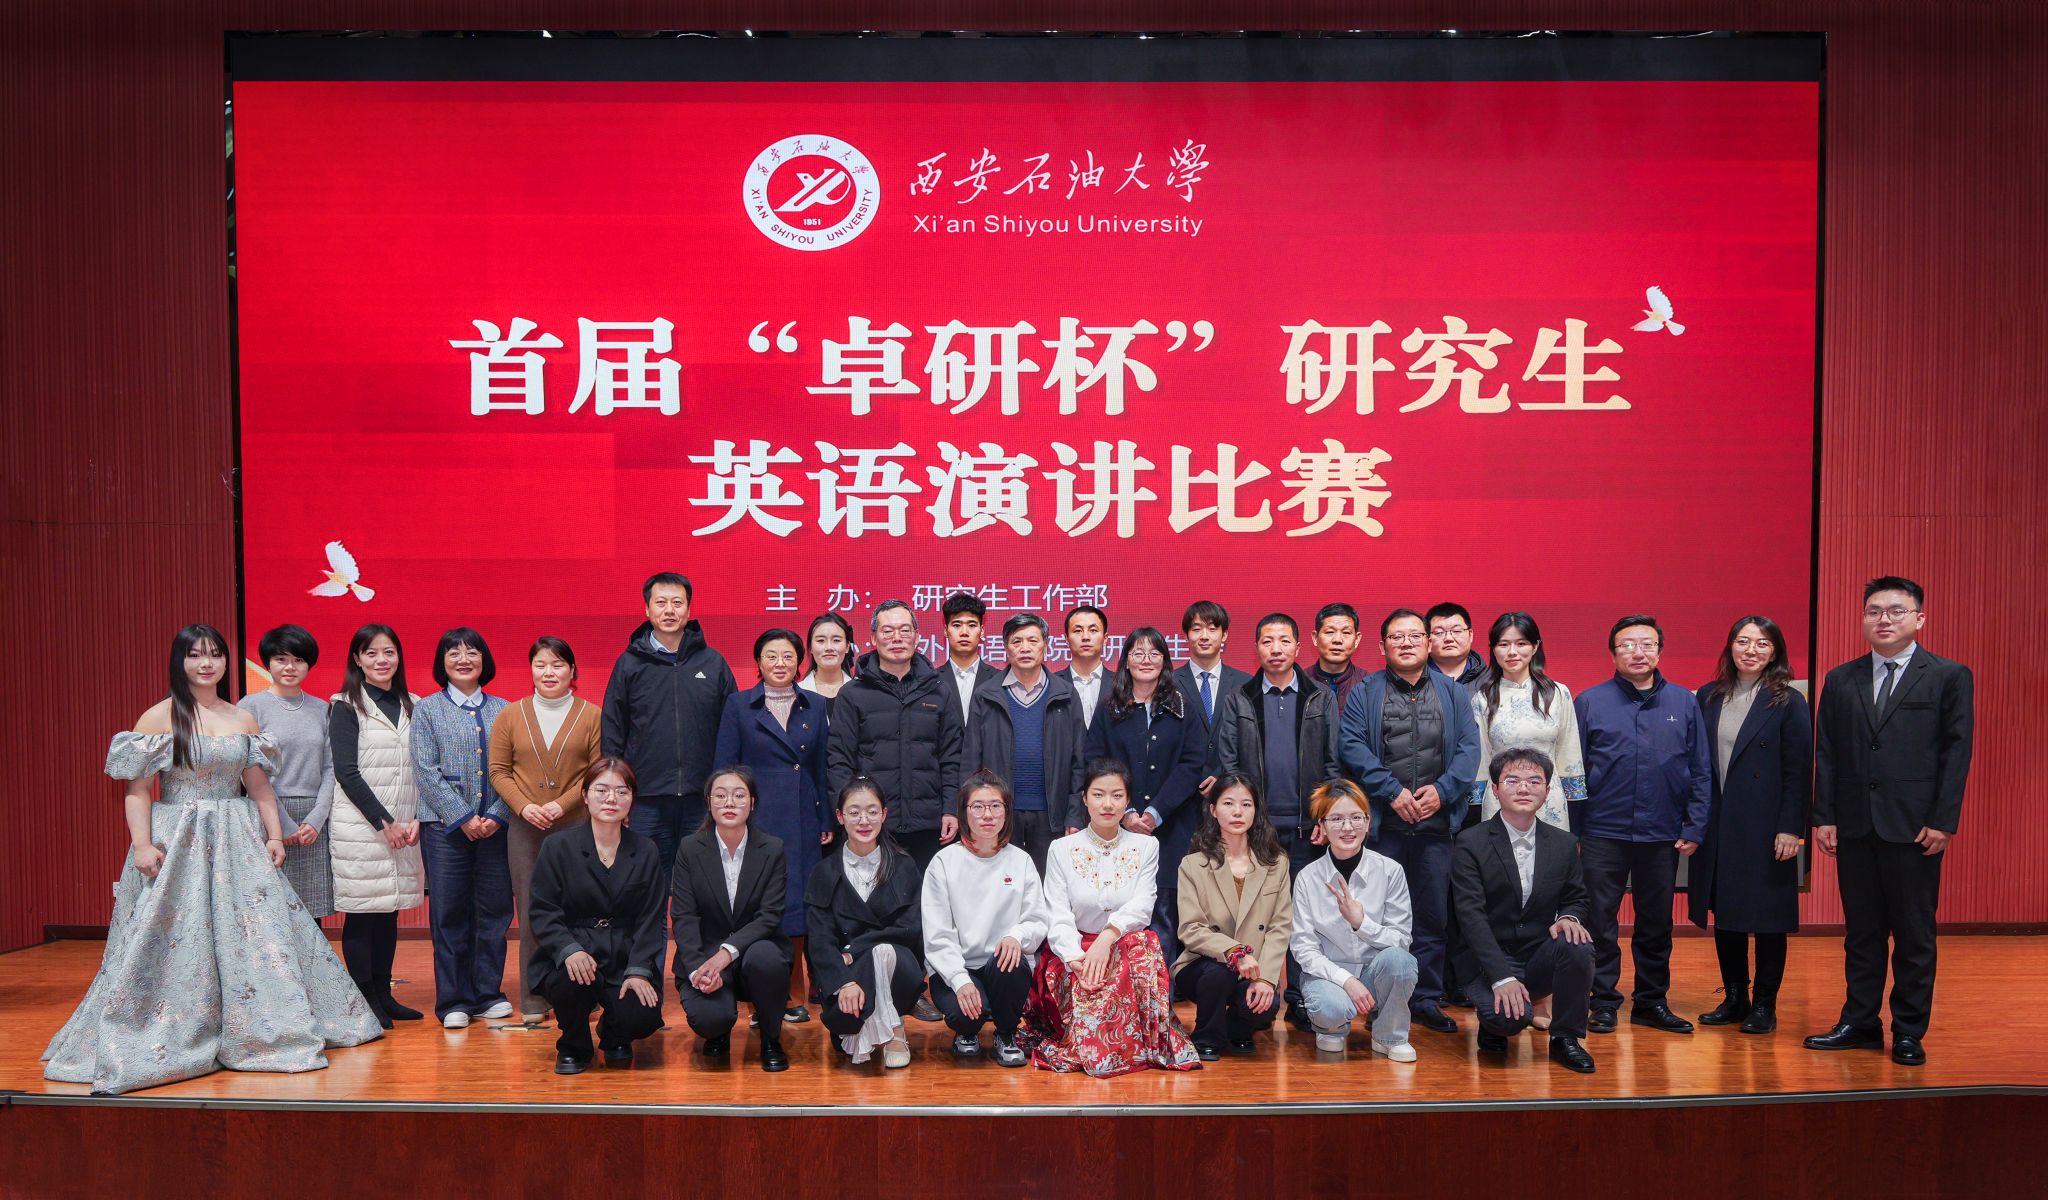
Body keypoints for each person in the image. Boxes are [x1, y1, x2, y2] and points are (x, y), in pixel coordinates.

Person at [44, 625, 382, 1095]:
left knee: (256, 932)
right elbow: (137, 791)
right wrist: (142, 844)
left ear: (226, 662)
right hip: (177, 838)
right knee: (175, 935)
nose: (206, 664)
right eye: (196, 655)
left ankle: (259, 1028)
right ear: (179, 661)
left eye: (215, 655)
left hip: (237, 836)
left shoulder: (241, 718)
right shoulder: (159, 717)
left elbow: (259, 786)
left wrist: (274, 835)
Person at [1807, 577, 1973, 1067]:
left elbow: (1956, 753)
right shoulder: (1841, 678)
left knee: (1914, 935)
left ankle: (1908, 1030)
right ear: (1863, 620)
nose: (1884, 619)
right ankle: (1859, 1022)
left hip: (1915, 828)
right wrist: (1824, 816)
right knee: (1862, 933)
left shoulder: (1947, 676)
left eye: (1896, 610)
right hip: (1856, 825)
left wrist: (1943, 820)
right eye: (1874, 611)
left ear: (1919, 618)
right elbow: (1828, 752)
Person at [1336, 609, 1482, 1037]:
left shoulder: (1453, 694)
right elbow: (1352, 746)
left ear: (1428, 642)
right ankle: (1381, 999)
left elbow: (1469, 750)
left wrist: (1443, 791)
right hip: (1385, 827)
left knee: (1432, 918)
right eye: (1396, 637)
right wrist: (1392, 792)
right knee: (1378, 918)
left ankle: (1426, 999)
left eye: (1414, 636)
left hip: (1436, 828)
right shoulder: (1365, 692)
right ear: (1381, 646)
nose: (1406, 643)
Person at [1574, 615, 1711, 1036]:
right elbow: (1573, 772)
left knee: (1656, 923)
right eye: (1628, 645)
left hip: (1662, 832)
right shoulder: (1590, 702)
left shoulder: (1684, 703)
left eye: (1647, 644)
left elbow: (1700, 769)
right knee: (1599, 921)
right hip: (1602, 831)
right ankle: (1602, 1001)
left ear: (1659, 650)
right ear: (1613, 653)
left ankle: (1651, 1002)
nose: (1638, 652)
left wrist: (1695, 825)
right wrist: (1575, 833)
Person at [1022, 761, 1201, 1076]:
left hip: (1122, 941)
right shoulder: (1061, 848)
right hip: (1074, 947)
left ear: (1127, 800)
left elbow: (1143, 905)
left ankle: (1128, 1045)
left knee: (1144, 946)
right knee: (1083, 984)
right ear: (1084, 798)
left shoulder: (1146, 845)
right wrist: (1075, 958)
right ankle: (1096, 1045)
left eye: (1117, 796)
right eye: (1098, 794)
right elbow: (1057, 911)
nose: (1107, 804)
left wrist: (1107, 938)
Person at [1215, 611, 1342, 1028]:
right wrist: (1243, 821)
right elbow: (1230, 765)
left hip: (1309, 829)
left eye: (1284, 641)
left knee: (1305, 918)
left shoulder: (1320, 698)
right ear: (1256, 648)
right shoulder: (1239, 698)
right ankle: (1254, 997)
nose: (1276, 649)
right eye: (1267, 641)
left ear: (1298, 647)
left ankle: (1301, 997)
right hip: (1258, 832)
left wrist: (1326, 815)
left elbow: (1333, 764)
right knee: (1256, 916)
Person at [1692, 616, 1813, 1035]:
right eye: (1743, 641)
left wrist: (1791, 828)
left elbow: (1799, 770)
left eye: (1762, 643)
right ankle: (1734, 998)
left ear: (1775, 651)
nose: (1751, 650)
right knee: (1727, 914)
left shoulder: (1789, 700)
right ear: (1730, 646)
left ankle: (1764, 1004)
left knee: (1768, 918)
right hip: (1720, 823)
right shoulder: (1709, 696)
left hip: (1766, 826)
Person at [1450, 748, 1597, 1074]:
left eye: (1534, 781)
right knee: (1507, 1020)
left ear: (1547, 791)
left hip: (1535, 956)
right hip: (1485, 961)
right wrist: (1501, 977)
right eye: (1512, 780)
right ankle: (1493, 1021)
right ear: (1495, 789)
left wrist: (1569, 918)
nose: (1523, 788)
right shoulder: (1470, 842)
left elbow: (1576, 898)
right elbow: (1470, 916)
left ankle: (1566, 1038)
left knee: (1578, 943)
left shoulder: (1563, 844)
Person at [713, 628, 829, 1024]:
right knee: (756, 905)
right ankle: (757, 999)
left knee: (796, 907)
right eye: (771, 656)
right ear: (758, 663)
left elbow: (821, 767)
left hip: (802, 817)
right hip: (755, 818)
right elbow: (725, 767)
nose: (780, 664)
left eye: (788, 656)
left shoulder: (815, 704)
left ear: (799, 662)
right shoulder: (738, 705)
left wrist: (825, 817)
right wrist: (728, 815)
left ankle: (793, 994)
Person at [601, 571, 737, 906]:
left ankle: (695, 945)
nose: (669, 610)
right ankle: (649, 946)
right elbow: (613, 731)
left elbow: (732, 730)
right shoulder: (629, 665)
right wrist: (618, 792)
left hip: (701, 798)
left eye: (677, 602)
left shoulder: (713, 663)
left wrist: (726, 788)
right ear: (647, 610)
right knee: (645, 890)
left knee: (703, 889)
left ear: (689, 610)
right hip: (646, 798)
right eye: (660, 602)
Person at [524, 757, 667, 1074]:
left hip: (624, 951)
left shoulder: (646, 850)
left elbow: (651, 918)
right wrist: (568, 950)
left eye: (622, 791)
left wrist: (638, 970)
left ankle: (614, 1034)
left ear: (632, 799)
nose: (611, 798)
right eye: (601, 790)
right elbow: (543, 910)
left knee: (642, 1015)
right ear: (585, 796)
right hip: (576, 943)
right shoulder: (557, 847)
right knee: (571, 981)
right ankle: (573, 1045)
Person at [489, 635, 602, 1023]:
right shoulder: (510, 715)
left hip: (578, 826)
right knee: (532, 911)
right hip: (525, 829)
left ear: (572, 671)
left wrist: (560, 805)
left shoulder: (592, 715)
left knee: (581, 909)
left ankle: (583, 994)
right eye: (540, 664)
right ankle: (535, 997)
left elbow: (596, 771)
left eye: (557, 664)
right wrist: (524, 806)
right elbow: (499, 771)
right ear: (531, 670)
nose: (548, 672)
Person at [409, 627, 514, 1028]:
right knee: (450, 912)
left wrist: (496, 815)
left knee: (494, 911)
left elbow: (515, 770)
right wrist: (463, 817)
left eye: (472, 652)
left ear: (485, 660)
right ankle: (454, 1000)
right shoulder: (427, 709)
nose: (463, 659)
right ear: (442, 663)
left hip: (496, 828)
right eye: (453, 653)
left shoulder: (505, 709)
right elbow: (425, 770)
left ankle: (488, 994)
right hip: (444, 829)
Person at [1084, 626, 1206, 964]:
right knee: (1121, 911)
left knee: (1165, 915)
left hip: (1172, 829)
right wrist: (1126, 812)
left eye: (1154, 653)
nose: (1146, 660)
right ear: (1126, 661)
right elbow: (1096, 760)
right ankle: (1122, 989)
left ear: (1165, 661)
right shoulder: (1110, 708)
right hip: (1116, 829)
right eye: (1137, 653)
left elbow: (1192, 764)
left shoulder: (1181, 707)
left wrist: (1154, 813)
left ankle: (1161, 991)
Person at [326, 623, 426, 1029]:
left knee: (389, 911)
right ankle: (365, 999)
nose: (381, 660)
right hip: (361, 826)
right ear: (357, 659)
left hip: (404, 825)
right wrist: (384, 822)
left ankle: (385, 993)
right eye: (371, 653)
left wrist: (416, 819)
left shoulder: (414, 704)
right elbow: (347, 773)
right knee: (363, 912)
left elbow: (423, 768)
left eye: (388, 652)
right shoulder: (345, 705)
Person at [671, 766, 795, 1072]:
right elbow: (684, 916)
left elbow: (769, 916)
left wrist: (726, 953)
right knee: (710, 1020)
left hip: (756, 951)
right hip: (705, 953)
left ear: (752, 803)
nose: (729, 803)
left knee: (766, 958)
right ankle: (719, 1031)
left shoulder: (772, 848)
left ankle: (770, 1038)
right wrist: (698, 967)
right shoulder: (689, 849)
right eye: (721, 795)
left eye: (739, 795)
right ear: (708, 802)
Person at [921, 771, 1048, 1065]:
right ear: (964, 812)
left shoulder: (1020, 860)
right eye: (977, 807)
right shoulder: (944, 862)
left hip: (1000, 967)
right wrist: (959, 980)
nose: (987, 815)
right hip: (958, 967)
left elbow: (1036, 919)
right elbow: (938, 935)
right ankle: (967, 1032)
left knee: (1011, 960)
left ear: (1006, 812)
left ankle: (1006, 1034)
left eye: (995, 806)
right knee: (964, 1014)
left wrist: (1016, 936)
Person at [826, 599, 964, 870]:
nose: (897, 638)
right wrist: (848, 814)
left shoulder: (939, 691)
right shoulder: (853, 694)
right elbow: (839, 760)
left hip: (929, 825)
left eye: (905, 630)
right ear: (873, 638)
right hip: (871, 825)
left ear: (917, 636)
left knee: (927, 895)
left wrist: (951, 808)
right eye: (887, 631)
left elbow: (952, 757)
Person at [1289, 779, 1420, 1061]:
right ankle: (1331, 1029)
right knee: (1330, 1009)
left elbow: (1401, 940)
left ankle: (1390, 1036)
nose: (1347, 828)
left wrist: (1362, 924)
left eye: (1356, 818)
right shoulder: (1308, 877)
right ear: (1322, 826)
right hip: (1330, 976)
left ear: (1368, 822)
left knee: (1401, 962)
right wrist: (1346, 980)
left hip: (1376, 972)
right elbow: (1303, 948)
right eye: (1336, 819)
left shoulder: (1390, 871)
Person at [808, 777, 926, 1067]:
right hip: (846, 974)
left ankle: (895, 1031)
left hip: (898, 968)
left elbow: (910, 929)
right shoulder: (824, 871)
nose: (864, 820)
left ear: (884, 815)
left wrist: (855, 949)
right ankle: (872, 1025)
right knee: (845, 1026)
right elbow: (820, 939)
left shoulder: (904, 865)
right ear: (840, 816)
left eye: (872, 811)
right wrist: (844, 980)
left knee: (883, 951)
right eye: (854, 812)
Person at [1173, 774, 1293, 1060]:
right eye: (1228, 803)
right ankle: (1206, 1037)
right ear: (1213, 810)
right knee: (1219, 974)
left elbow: (1280, 927)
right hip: (1203, 966)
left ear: (1256, 811)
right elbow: (1191, 928)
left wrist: (1266, 979)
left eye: (1246, 804)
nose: (1237, 812)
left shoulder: (1277, 863)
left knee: (1267, 1004)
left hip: (1254, 969)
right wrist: (1235, 952)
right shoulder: (1193, 865)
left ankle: (1235, 1031)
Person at [965, 612, 1088, 868]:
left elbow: (1079, 762)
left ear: (1046, 646)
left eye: (1033, 641)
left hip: (1051, 815)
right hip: (998, 813)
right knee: (999, 883)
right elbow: (970, 759)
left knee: (1046, 885)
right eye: (1017, 641)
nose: (1025, 648)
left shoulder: (1065, 694)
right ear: (1006, 648)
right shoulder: (986, 695)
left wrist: (1075, 813)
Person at [239, 624, 336, 919]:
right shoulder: (250, 707)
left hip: (313, 822)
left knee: (312, 912)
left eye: (299, 660)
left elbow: (331, 767)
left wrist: (316, 819)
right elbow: (249, 769)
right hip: (268, 813)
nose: (290, 667)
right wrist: (282, 825)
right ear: (268, 663)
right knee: (273, 912)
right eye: (281, 659)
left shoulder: (323, 709)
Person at [1471, 613, 1586, 832]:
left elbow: (1569, 753)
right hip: (1501, 799)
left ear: (1535, 647)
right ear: (1493, 649)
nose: (1512, 652)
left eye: (1521, 643)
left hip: (1548, 798)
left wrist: (1576, 805)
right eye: (1503, 644)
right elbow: (1481, 760)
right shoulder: (1483, 698)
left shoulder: (1557, 693)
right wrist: (1475, 802)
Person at [1173, 600, 1252, 789]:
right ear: (1186, 635)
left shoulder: (1246, 684)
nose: (1204, 636)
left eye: (1212, 629)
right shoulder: (1168, 683)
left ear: (1224, 635)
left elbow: (1249, 741)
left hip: (1230, 788)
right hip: (1181, 790)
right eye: (1197, 629)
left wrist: (1222, 776)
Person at [937, 592, 1001, 729]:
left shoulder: (999, 680)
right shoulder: (932, 681)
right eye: (956, 625)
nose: (964, 632)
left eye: (972, 625)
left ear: (982, 631)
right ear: (945, 631)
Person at [1056, 604, 1110, 728]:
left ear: (1105, 638)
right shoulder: (1052, 684)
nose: (1085, 637)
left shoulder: (1122, 684)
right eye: (1078, 631)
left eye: (1093, 630)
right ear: (1067, 639)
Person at [1308, 602, 1368, 714]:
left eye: (1346, 632)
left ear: (1357, 639)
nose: (1337, 640)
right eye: (1330, 632)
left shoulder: (1369, 684)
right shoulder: (1300, 683)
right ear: (1315, 638)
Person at [1425, 602, 1486, 694]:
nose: (1448, 638)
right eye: (1439, 632)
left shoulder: (1491, 681)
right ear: (1427, 638)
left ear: (1470, 635)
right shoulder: (1412, 679)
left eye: (1457, 631)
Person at [798, 612, 857, 700]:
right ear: (810, 648)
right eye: (821, 640)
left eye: (836, 640)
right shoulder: (796, 694)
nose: (829, 647)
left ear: (847, 647)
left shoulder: (860, 692)